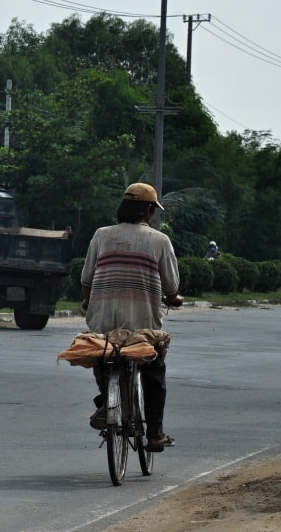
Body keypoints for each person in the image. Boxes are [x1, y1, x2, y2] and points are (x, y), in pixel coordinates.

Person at [80, 182, 183, 453]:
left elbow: (86, 278)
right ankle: (155, 434)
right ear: (148, 211)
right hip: (142, 327)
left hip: (104, 322)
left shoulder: (101, 235)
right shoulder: (160, 241)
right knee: (154, 369)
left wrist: (88, 301)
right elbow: (172, 286)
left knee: (102, 356)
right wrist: (174, 299)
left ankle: (107, 400)